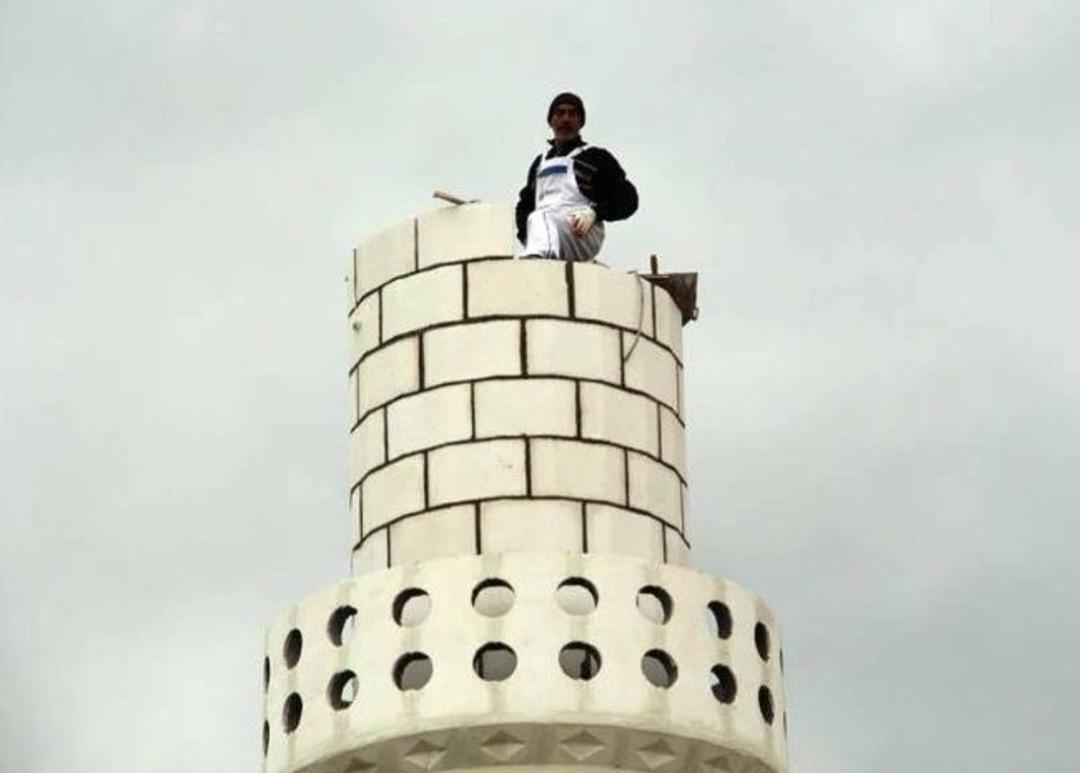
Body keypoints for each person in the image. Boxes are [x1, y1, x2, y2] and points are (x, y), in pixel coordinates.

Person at [515, 92, 638, 262]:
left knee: (538, 218)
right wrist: (526, 237)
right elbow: (525, 204)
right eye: (560, 113)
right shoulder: (539, 163)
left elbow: (628, 198)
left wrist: (595, 213)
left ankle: (537, 262)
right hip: (544, 229)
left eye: (572, 114)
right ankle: (538, 253)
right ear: (551, 121)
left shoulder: (595, 157)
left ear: (580, 122)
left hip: (580, 230)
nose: (566, 119)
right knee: (537, 218)